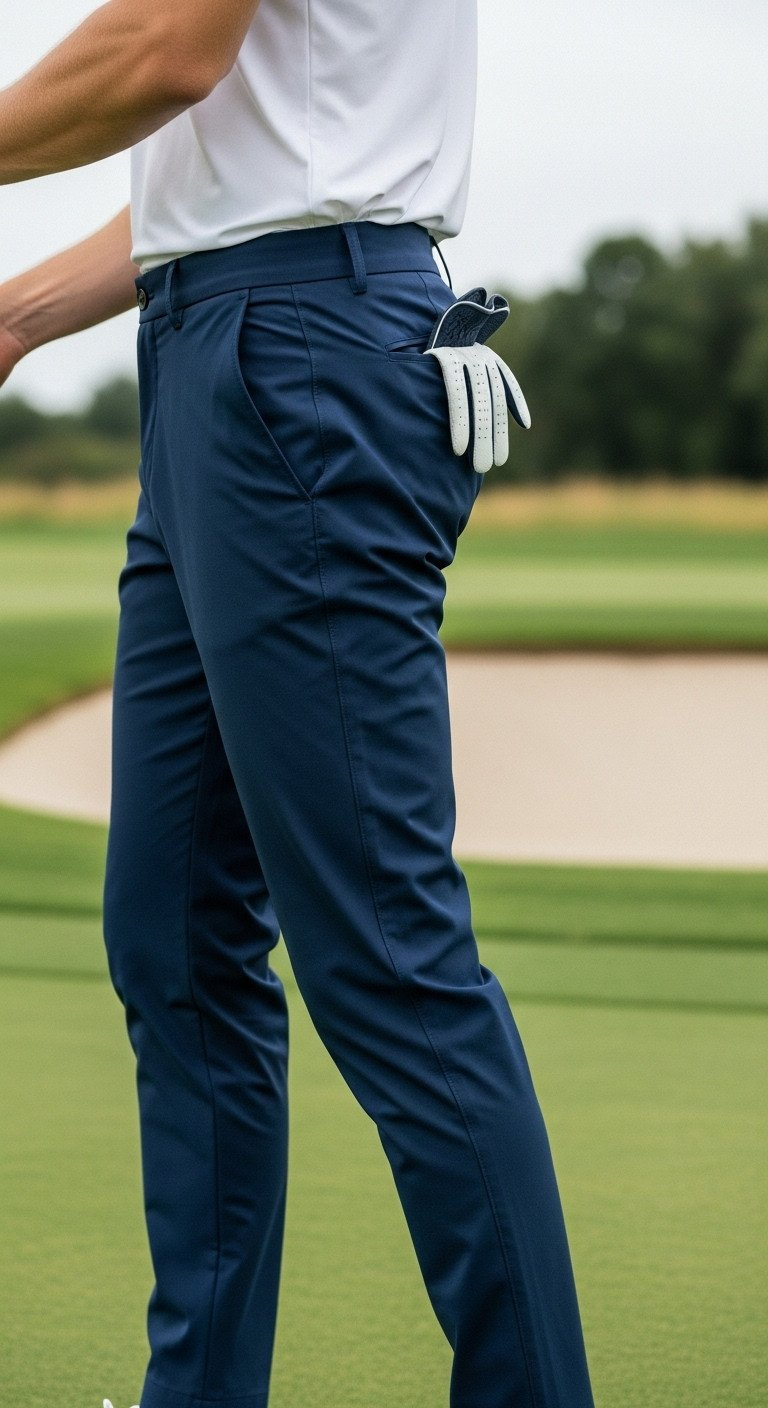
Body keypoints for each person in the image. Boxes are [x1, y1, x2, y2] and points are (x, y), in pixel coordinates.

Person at [0, 3, 596, 1406]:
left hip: (299, 360)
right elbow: (225, 179)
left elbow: (163, 53)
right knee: (178, 937)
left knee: (383, 951)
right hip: (224, 338)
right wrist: (21, 310)